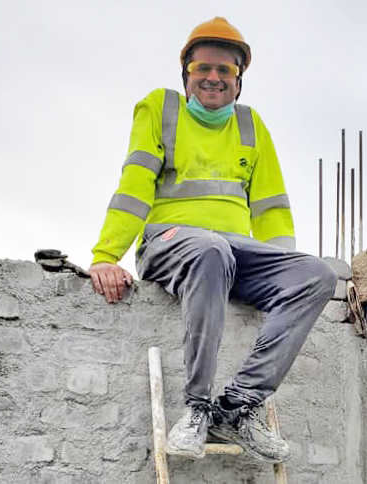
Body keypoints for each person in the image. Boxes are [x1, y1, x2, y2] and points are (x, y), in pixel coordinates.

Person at [89, 17, 337, 464]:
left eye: (226, 71)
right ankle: (197, 407)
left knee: (316, 274)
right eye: (204, 68)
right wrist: (107, 255)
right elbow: (134, 184)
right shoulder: (161, 109)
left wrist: (278, 281)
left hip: (234, 253)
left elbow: (272, 209)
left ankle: (236, 407)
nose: (214, 78)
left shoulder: (250, 125)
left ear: (239, 82)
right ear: (186, 74)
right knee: (209, 248)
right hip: (172, 244)